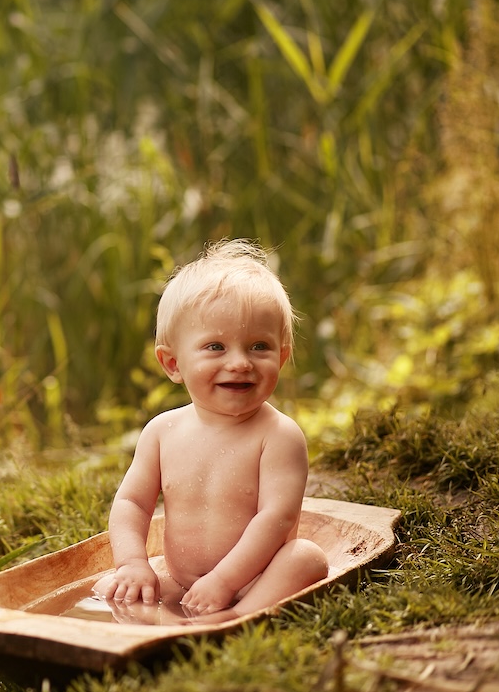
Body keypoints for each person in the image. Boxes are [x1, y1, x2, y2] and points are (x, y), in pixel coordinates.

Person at [90, 239, 328, 624]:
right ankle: (176, 617)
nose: (239, 363)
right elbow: (132, 503)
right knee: (107, 587)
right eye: (216, 346)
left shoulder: (279, 436)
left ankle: (239, 616)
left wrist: (223, 581)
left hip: (254, 579)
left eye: (259, 347)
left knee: (305, 558)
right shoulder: (162, 431)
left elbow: (276, 518)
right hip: (182, 583)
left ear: (281, 357)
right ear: (172, 363)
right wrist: (133, 564)